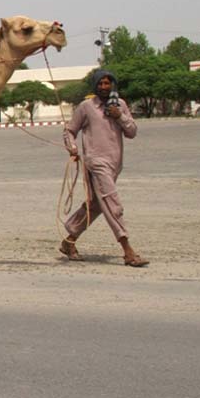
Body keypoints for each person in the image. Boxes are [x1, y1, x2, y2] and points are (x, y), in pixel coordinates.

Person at [59, 70, 147, 266]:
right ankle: (128, 251)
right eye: (100, 84)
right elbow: (70, 130)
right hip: (96, 163)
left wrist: (120, 116)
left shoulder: (121, 105)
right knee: (112, 203)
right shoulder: (86, 107)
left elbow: (132, 131)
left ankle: (69, 240)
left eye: (107, 83)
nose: (104, 87)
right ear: (95, 86)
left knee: (97, 205)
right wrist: (72, 148)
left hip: (114, 163)